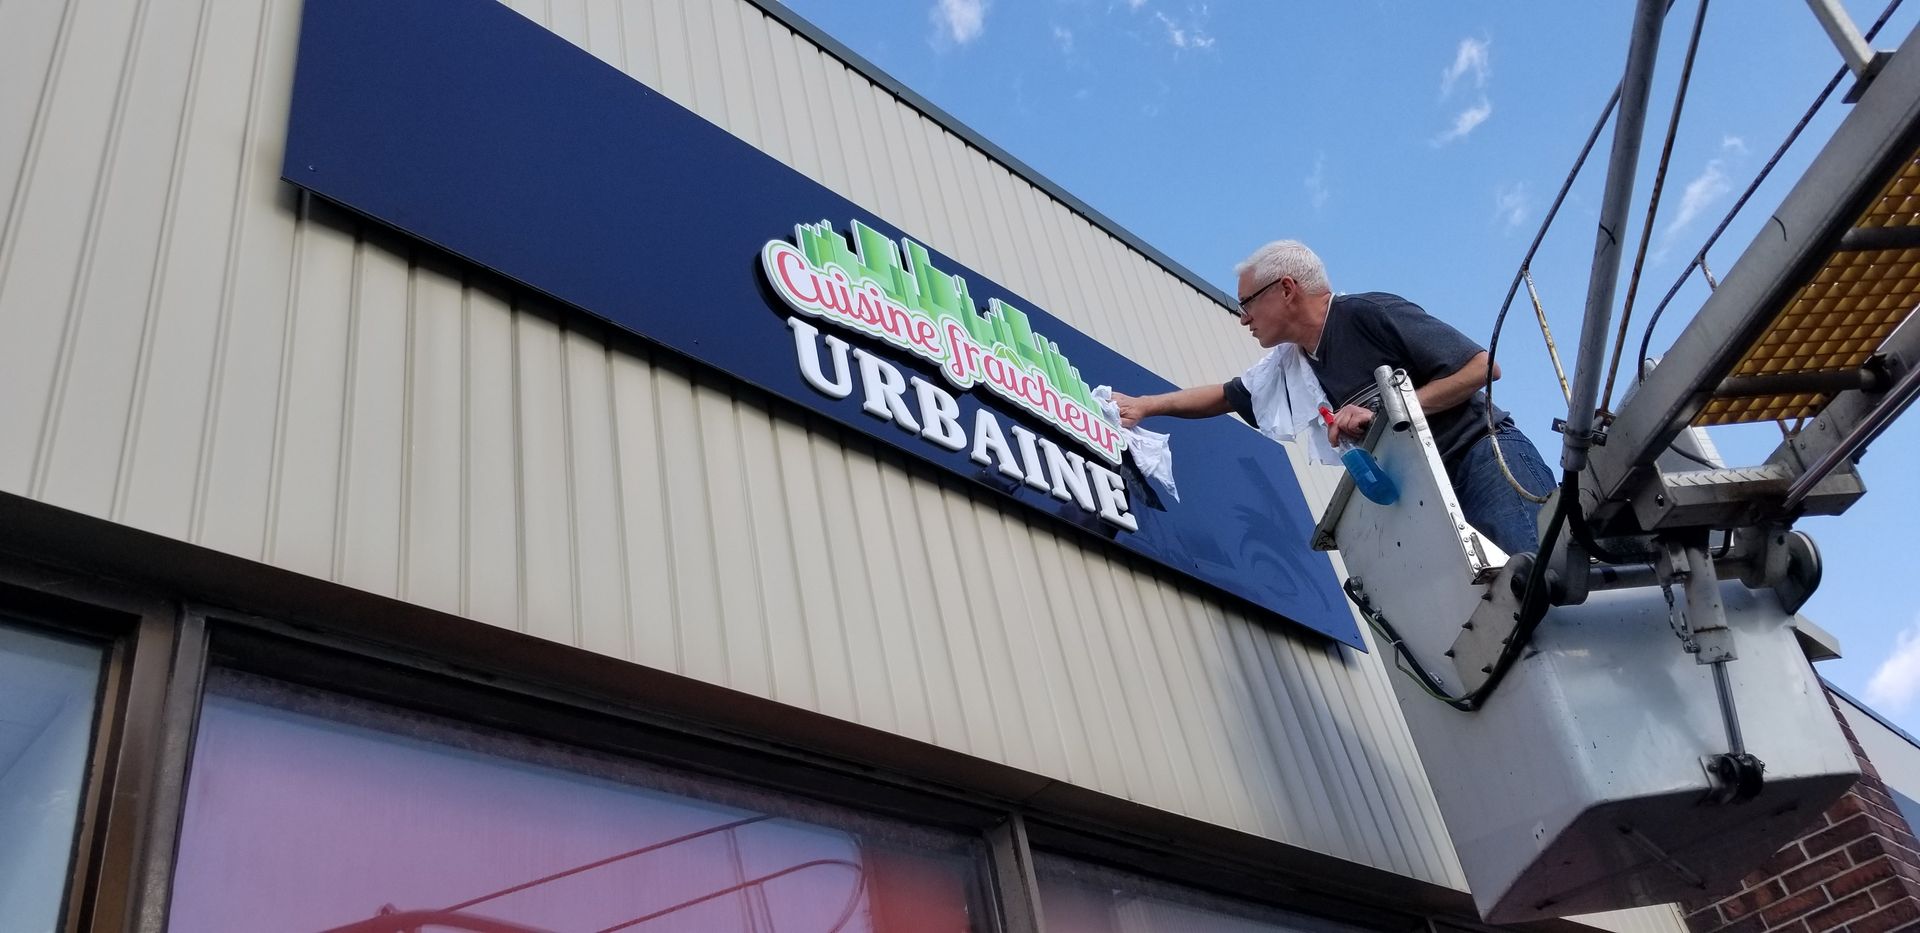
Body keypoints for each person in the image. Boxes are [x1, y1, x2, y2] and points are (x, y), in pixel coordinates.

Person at [1113, 240, 1556, 557]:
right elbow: (1225, 396)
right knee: (1499, 609)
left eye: (1246, 301)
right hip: (1430, 492)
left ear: (1286, 289)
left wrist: (1390, 410)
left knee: (1540, 579)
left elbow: (1482, 366)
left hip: (1484, 458)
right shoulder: (1293, 366)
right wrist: (1147, 405)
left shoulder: (1367, 313)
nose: (1242, 316)